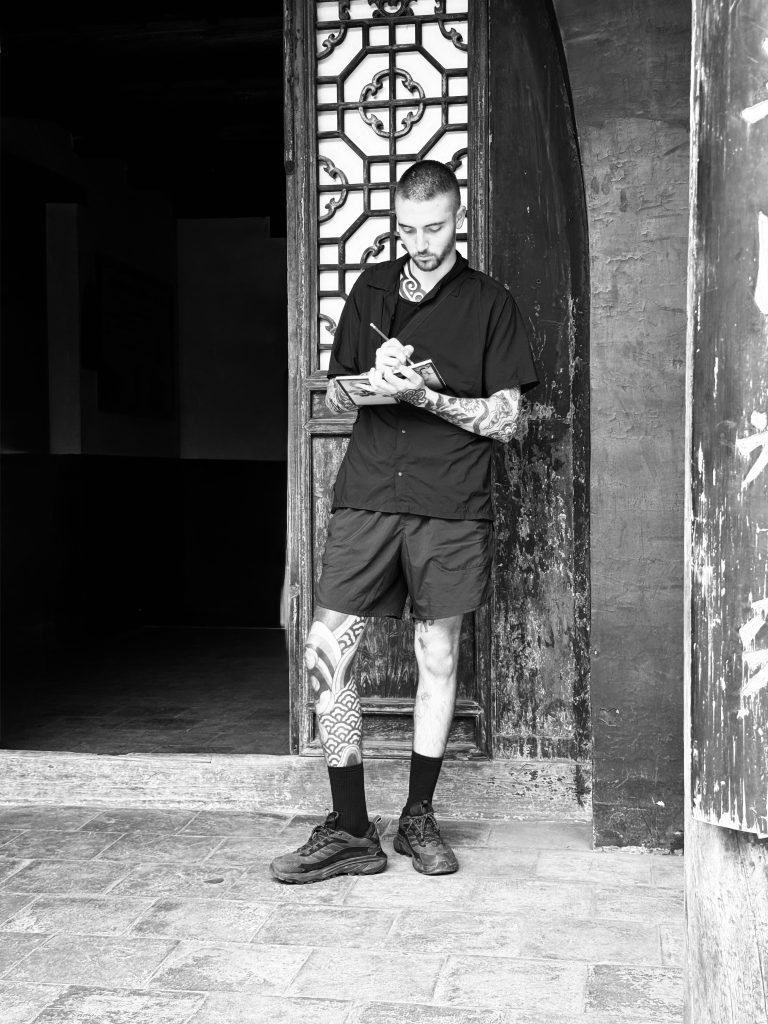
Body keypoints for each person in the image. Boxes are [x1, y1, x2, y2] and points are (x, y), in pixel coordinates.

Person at [270, 160, 539, 884]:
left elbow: (507, 420)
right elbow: (335, 398)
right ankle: (352, 827)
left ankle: (418, 816)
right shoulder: (371, 290)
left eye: (435, 227)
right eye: (409, 229)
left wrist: (424, 395)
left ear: (459, 219)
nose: (421, 242)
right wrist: (371, 381)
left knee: (437, 655)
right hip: (367, 492)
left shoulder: (490, 303)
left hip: (449, 500)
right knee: (325, 651)